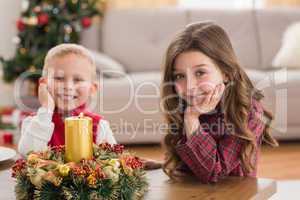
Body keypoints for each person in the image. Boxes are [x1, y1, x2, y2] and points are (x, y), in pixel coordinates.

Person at [161, 22, 278, 183]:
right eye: (180, 76)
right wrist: (162, 166)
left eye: (200, 72)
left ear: (226, 73)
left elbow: (214, 173)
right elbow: (191, 168)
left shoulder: (248, 111)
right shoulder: (187, 106)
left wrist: (191, 119)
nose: (190, 86)